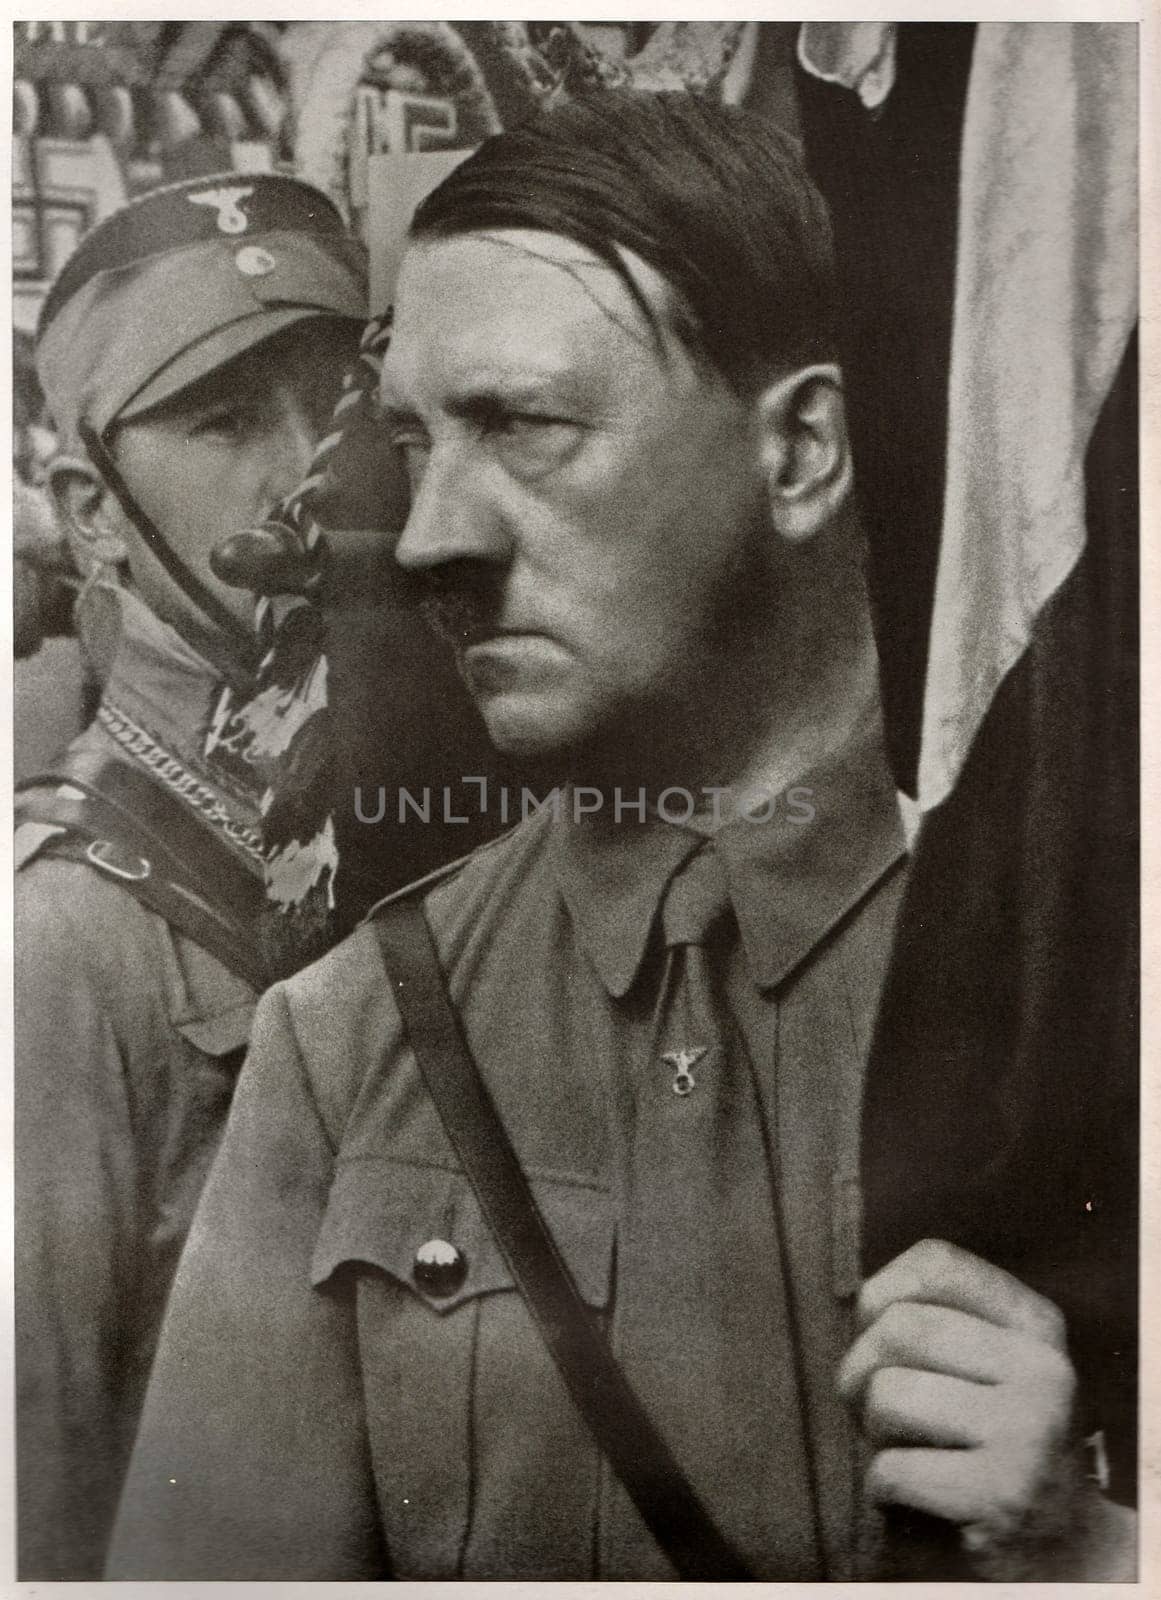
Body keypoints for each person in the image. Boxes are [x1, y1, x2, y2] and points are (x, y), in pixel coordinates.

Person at [107, 93, 1134, 1582]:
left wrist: (1094, 1555)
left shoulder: (1077, 990)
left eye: (521, 425)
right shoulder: (355, 1044)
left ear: (797, 453)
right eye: (414, 445)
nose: (428, 539)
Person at [15, 172, 366, 1580]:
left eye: (333, 396)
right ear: (93, 512)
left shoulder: (426, 817)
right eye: (225, 421)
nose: (310, 467)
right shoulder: (58, 944)